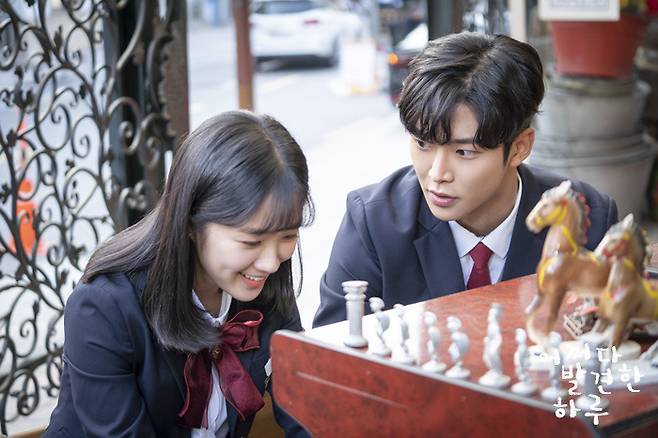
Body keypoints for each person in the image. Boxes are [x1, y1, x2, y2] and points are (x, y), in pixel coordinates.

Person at [313, 32, 618, 327]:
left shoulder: (586, 218)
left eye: (464, 152)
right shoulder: (374, 221)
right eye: (423, 143)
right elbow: (330, 348)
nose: (437, 174)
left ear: (520, 148)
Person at [44, 111, 313, 437]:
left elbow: (308, 412)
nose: (270, 262)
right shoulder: (104, 307)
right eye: (251, 241)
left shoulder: (264, 284)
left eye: (288, 236)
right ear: (189, 222)